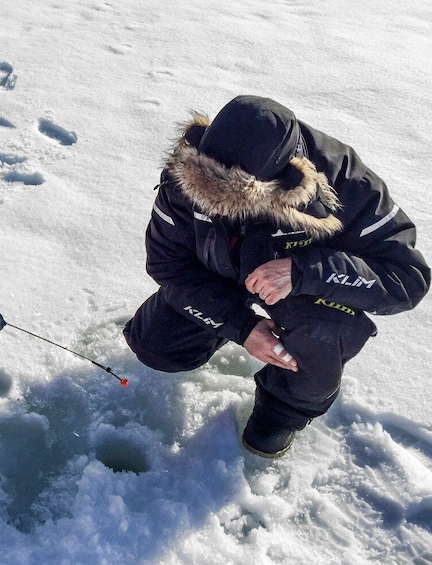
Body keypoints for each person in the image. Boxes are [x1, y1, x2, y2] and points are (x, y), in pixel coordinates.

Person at [124, 95, 429, 458]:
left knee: (323, 335)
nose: (215, 208)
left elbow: (407, 279)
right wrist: (240, 326)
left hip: (306, 294)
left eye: (233, 201)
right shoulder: (186, 175)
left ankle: (283, 410)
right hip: (221, 275)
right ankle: (221, 331)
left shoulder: (350, 184)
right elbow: (167, 265)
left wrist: (305, 271)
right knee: (155, 345)